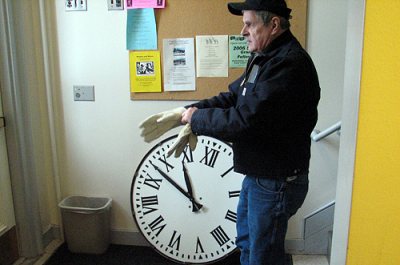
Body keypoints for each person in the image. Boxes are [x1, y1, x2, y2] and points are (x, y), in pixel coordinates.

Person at [139, 0, 320, 264]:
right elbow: (233, 98)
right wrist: (187, 111)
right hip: (260, 175)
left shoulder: (288, 66)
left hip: (275, 181)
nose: (242, 32)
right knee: (247, 244)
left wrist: (197, 119)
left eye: (249, 24)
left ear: (274, 24)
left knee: (262, 255)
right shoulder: (264, 59)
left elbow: (245, 121)